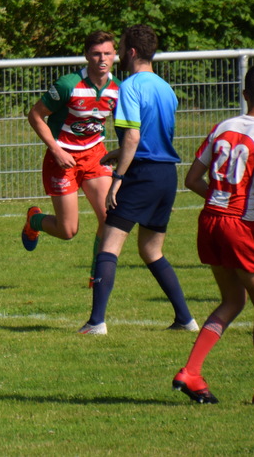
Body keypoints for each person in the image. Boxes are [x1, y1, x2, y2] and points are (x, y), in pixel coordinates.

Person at [173, 64, 254, 405]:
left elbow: (191, 180)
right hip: (239, 226)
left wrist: (219, 199)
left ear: (245, 94)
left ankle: (191, 372)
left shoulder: (222, 127)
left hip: (209, 221)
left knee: (233, 300)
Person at [79, 24, 198, 335]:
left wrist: (118, 178)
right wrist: (119, 152)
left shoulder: (129, 87)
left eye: (119, 48)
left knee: (109, 244)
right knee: (151, 250)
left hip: (142, 174)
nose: (118, 53)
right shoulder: (166, 89)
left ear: (130, 52)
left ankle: (96, 322)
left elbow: (133, 136)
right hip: (165, 175)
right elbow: (151, 137)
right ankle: (185, 319)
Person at [23, 30, 119, 286]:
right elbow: (35, 115)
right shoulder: (68, 84)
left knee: (110, 217)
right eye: (96, 53)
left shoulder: (118, 89)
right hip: (62, 158)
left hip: (95, 156)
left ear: (115, 55)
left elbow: (125, 125)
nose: (102, 59)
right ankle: (34, 220)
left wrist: (121, 151)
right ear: (86, 55)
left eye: (107, 53)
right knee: (68, 231)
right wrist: (56, 149)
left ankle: (96, 277)